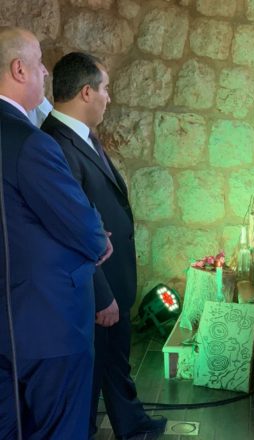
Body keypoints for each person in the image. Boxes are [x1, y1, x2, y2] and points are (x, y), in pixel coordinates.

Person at [41, 52, 167, 440]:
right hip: (96, 286)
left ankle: (132, 425)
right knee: (92, 372)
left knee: (114, 361)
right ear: (86, 92)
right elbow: (68, 231)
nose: (108, 98)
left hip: (113, 277)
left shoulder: (81, 135)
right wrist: (101, 295)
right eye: (105, 89)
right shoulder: (57, 144)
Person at [0, 27, 112, 439]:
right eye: (39, 64)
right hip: (47, 326)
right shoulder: (31, 142)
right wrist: (100, 240)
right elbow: (80, 222)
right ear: (19, 70)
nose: (46, 72)